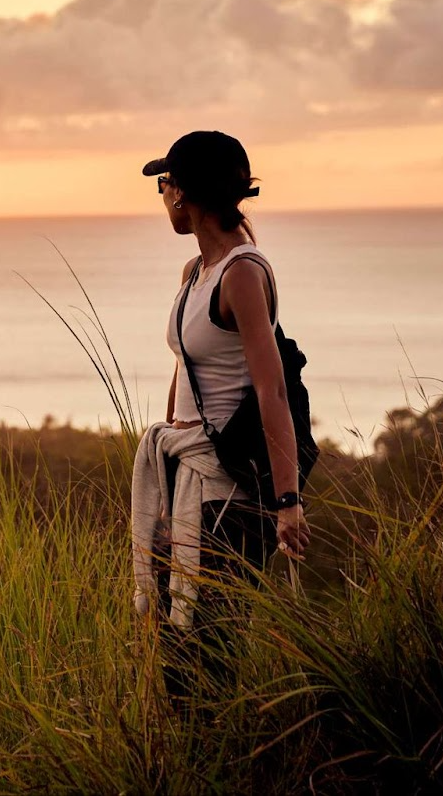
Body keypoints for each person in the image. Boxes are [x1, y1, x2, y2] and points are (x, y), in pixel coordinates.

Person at [130, 130, 309, 647]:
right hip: (185, 477)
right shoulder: (195, 272)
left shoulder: (242, 274)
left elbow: (272, 389)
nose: (164, 195)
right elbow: (184, 372)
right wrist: (167, 471)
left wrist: (288, 500)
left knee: (210, 649)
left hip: (226, 492)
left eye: (164, 184)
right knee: (175, 648)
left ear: (181, 193)